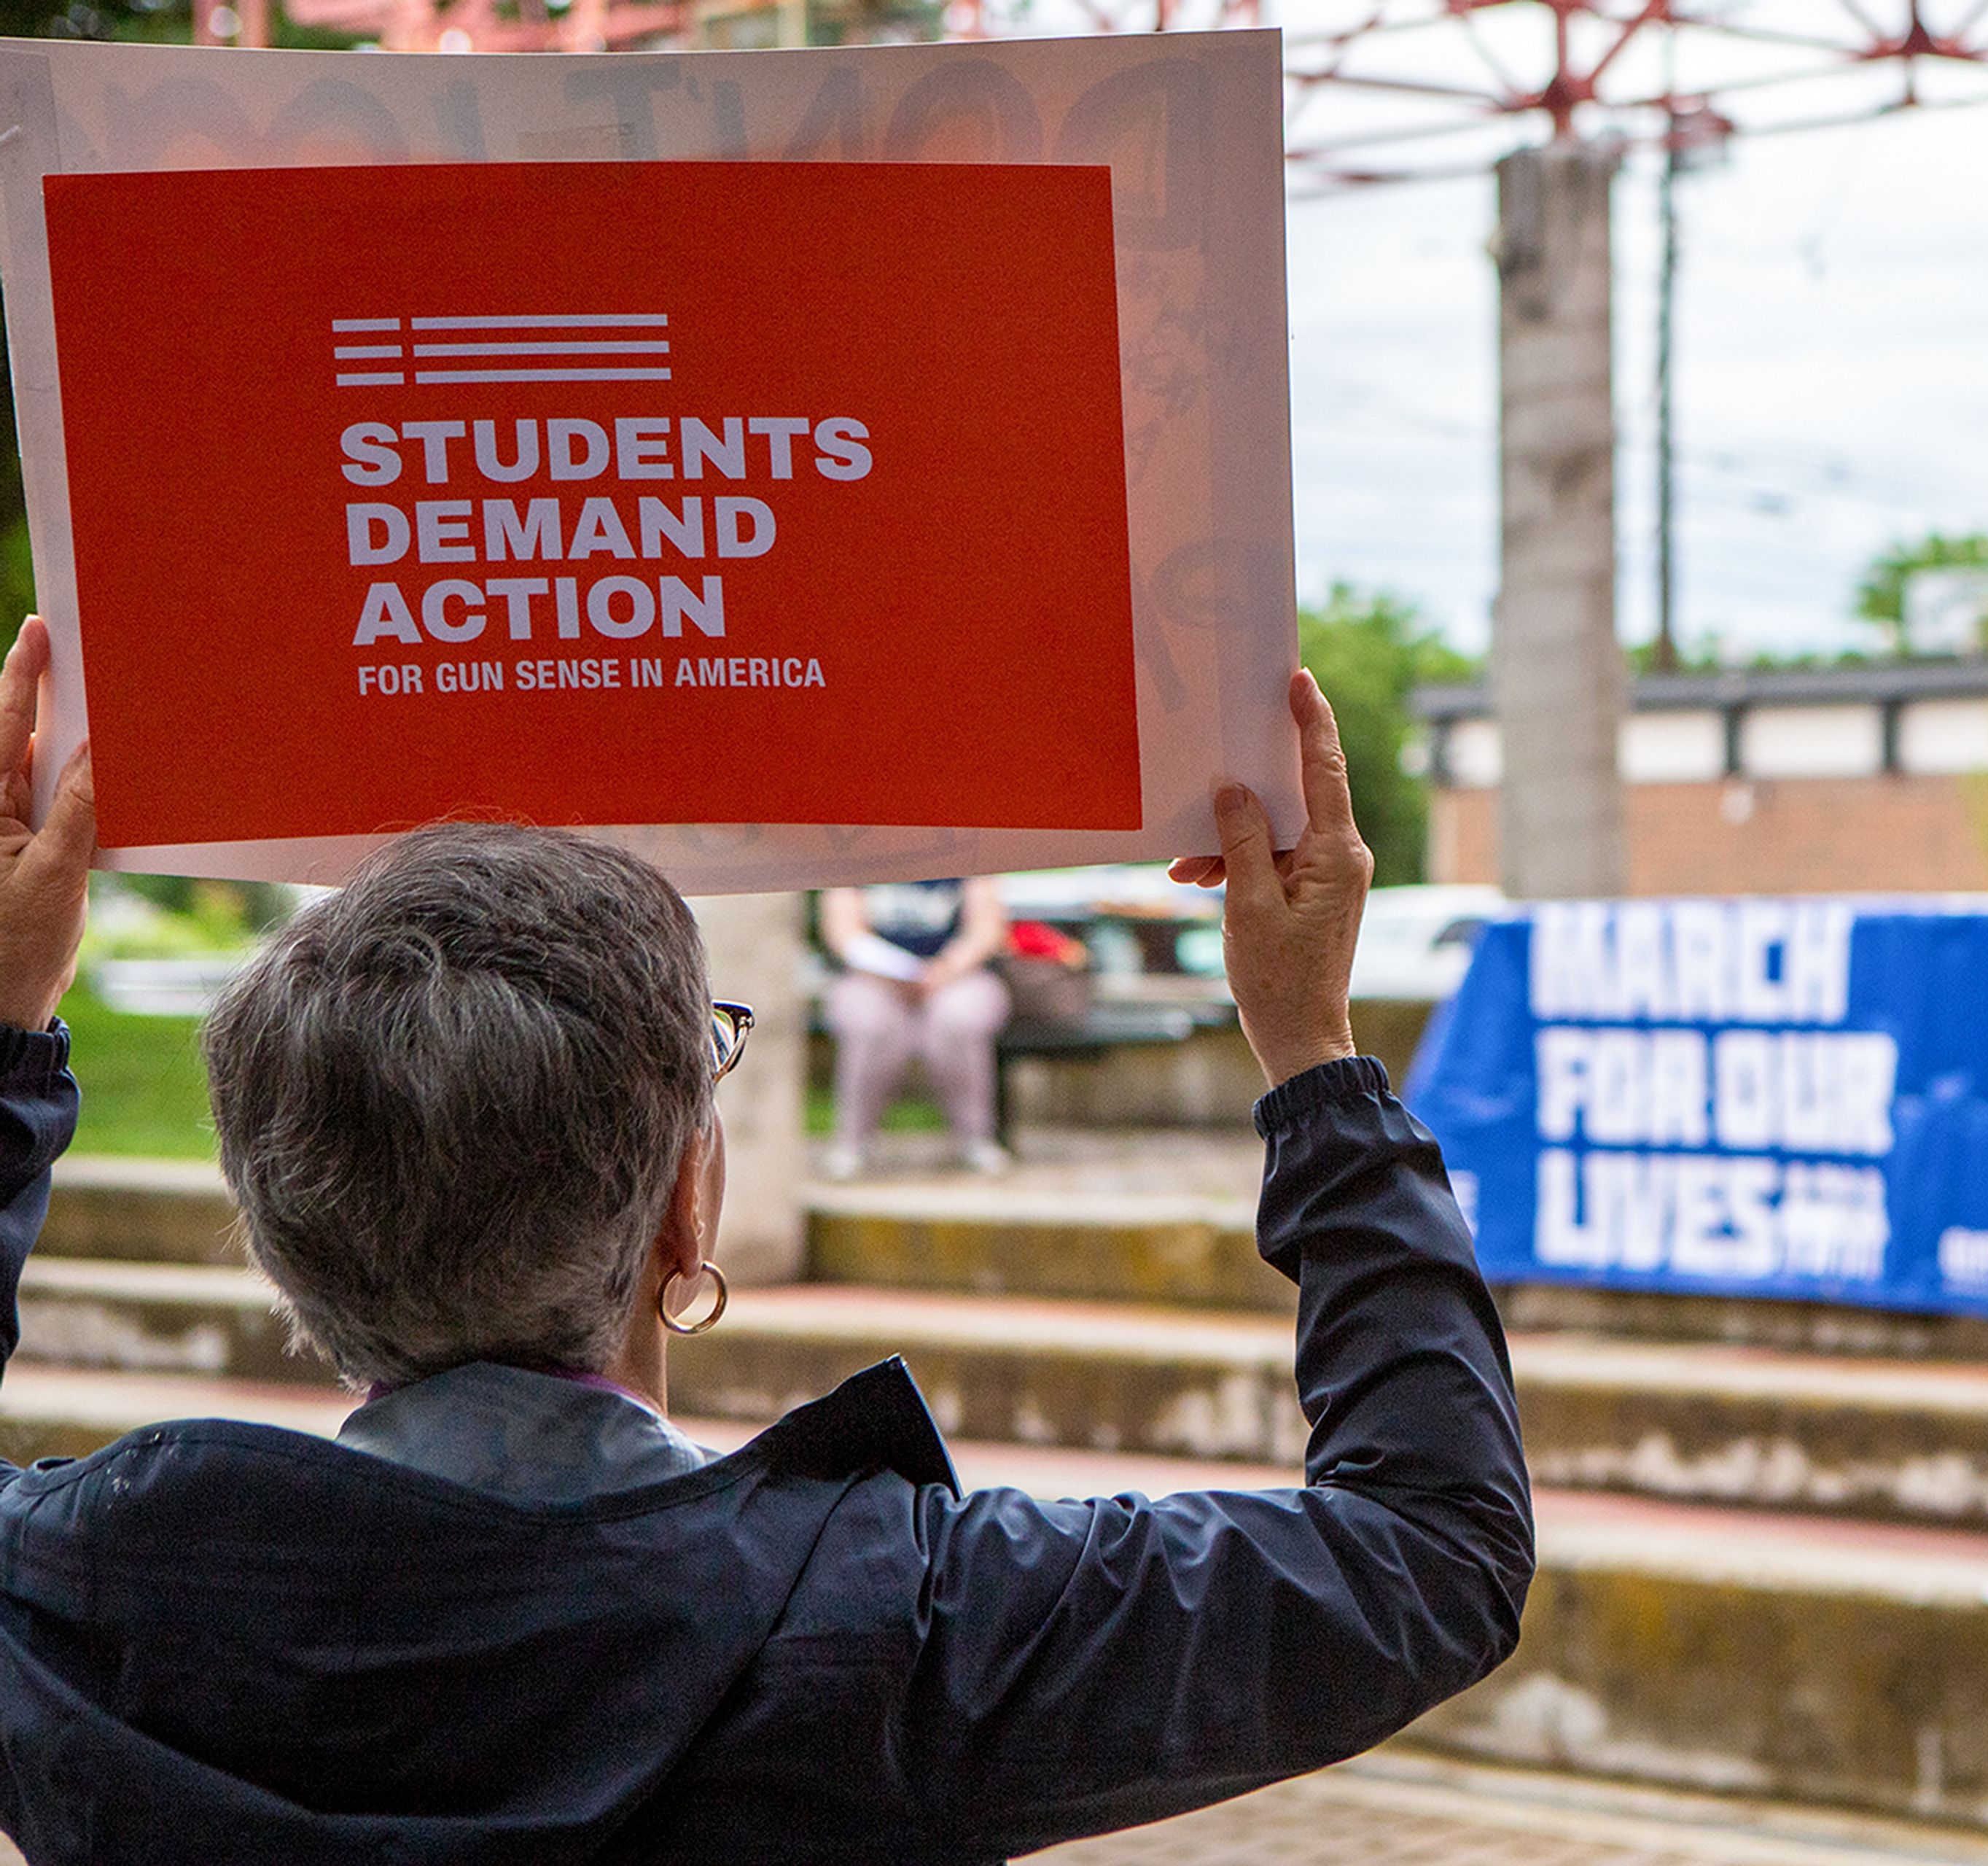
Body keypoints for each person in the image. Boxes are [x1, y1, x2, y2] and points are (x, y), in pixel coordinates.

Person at [0, 646, 1533, 1865]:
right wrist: (1312, 1055)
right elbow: (1432, 1550)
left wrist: (9, 1038)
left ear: (284, 1230)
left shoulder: (83, 1579)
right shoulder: (912, 1624)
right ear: (688, 1207)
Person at [816, 874, 1013, 1176]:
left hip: (956, 976)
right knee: (870, 1023)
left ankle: (975, 1139)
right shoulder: (855, 857)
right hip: (874, 979)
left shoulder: (968, 854)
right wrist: (892, 975)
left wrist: (943, 971)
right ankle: (853, 1142)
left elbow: (985, 931)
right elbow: (843, 933)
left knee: (957, 1019)